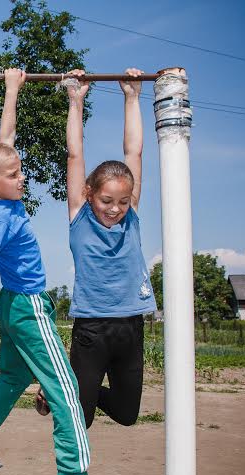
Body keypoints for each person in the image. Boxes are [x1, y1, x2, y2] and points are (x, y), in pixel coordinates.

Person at [0, 68, 114, 475]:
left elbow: (6, 139)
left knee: (14, 376)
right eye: (15, 174)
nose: (23, 178)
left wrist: (11, 90)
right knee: (66, 390)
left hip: (11, 306)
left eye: (19, 171)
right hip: (28, 306)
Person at [48, 68, 156, 429]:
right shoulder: (80, 216)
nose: (115, 208)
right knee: (85, 417)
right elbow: (74, 155)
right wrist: (76, 100)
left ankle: (66, 392)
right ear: (90, 194)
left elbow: (134, 152)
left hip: (130, 325)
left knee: (126, 415)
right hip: (92, 327)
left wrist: (132, 97)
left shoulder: (131, 218)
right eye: (107, 200)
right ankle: (62, 393)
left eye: (123, 201)